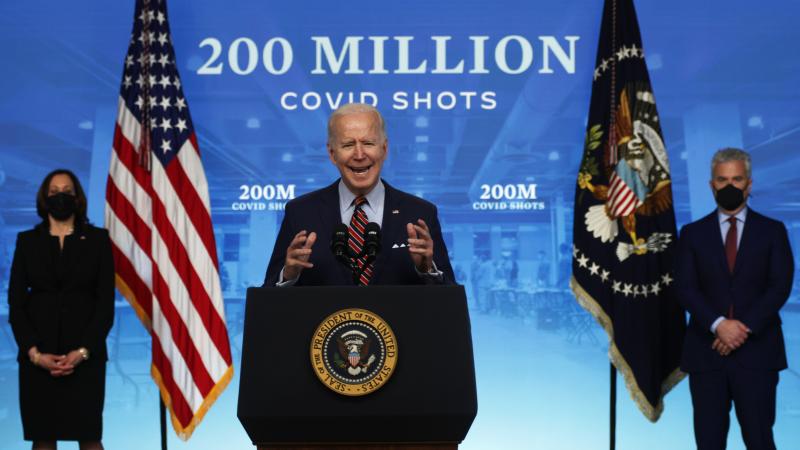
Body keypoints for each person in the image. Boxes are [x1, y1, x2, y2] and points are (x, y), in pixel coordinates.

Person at [676, 148, 794, 450]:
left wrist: (740, 328)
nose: (730, 186)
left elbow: (779, 286)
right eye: (722, 179)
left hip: (758, 355)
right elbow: (686, 287)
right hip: (706, 354)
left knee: (759, 440)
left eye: (737, 179)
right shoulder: (691, 233)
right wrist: (718, 325)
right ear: (712, 185)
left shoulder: (773, 231)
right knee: (708, 442)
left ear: (749, 184)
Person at [264, 103, 455, 286]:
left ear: (385, 148)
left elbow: (449, 299)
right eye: (348, 145)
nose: (359, 154)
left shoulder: (420, 213)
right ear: (332, 153)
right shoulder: (301, 212)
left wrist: (427, 270)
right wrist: (288, 275)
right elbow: (268, 295)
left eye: (368, 143)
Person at [8, 169, 115, 450]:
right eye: (54, 192)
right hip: (38, 359)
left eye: (67, 191)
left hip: (85, 358)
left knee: (90, 438)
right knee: (43, 438)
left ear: (77, 197)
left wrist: (82, 352)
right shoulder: (27, 242)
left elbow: (105, 304)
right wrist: (34, 354)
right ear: (45, 198)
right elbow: (16, 304)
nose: (60, 197)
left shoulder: (98, 240)